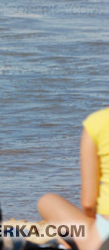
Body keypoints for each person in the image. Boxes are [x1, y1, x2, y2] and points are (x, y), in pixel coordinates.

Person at [37, 107, 109, 250]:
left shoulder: (98, 122)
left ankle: (69, 244)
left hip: (103, 238)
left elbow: (88, 204)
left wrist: (92, 220)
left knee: (47, 201)